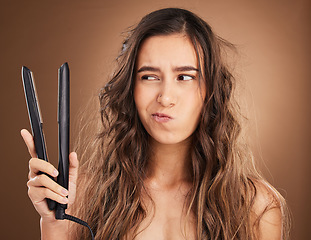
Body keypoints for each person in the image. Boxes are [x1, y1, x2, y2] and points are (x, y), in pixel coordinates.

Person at [21, 8, 290, 240]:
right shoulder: (82, 196)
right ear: (131, 89)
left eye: (185, 77)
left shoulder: (256, 205)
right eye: (149, 77)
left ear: (210, 90)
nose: (165, 97)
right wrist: (54, 224)